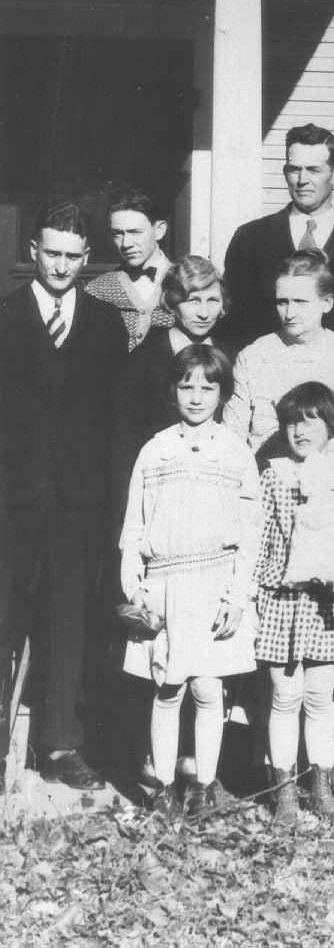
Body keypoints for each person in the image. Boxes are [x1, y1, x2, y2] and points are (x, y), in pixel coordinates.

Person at [0, 202, 128, 790]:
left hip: (79, 503)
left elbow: (113, 420)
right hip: (11, 499)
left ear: (86, 256)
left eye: (73, 256)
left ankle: (60, 745)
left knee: (69, 621)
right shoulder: (5, 314)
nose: (61, 265)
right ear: (33, 251)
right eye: (51, 253)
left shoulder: (104, 323)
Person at [117, 344, 259, 817]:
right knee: (168, 686)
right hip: (166, 585)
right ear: (172, 390)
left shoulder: (235, 452)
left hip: (214, 583)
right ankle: (160, 786)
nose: (196, 397)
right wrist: (135, 585)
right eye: (186, 386)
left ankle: (202, 784)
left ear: (223, 393)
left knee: (207, 688)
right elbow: (134, 526)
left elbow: (250, 531)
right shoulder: (155, 450)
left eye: (207, 387)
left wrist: (237, 595)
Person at [254, 382, 334, 824]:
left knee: (319, 696)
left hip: (328, 607)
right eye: (292, 422)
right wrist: (260, 592)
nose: (300, 430)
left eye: (311, 421)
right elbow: (261, 539)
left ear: (331, 427)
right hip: (284, 602)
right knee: (285, 695)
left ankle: (320, 786)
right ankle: (284, 791)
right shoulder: (274, 476)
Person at [221, 123, 334, 348]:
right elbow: (233, 319)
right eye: (294, 169)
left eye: (313, 170)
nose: (302, 180)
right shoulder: (250, 238)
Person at [223, 250, 334, 479]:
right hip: (268, 489)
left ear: (327, 303)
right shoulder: (254, 356)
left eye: (301, 302)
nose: (290, 313)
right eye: (282, 302)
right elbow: (232, 437)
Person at [111, 255, 230, 526]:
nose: (204, 313)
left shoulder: (230, 356)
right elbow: (124, 444)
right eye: (193, 301)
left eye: (213, 300)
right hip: (159, 498)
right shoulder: (143, 360)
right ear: (172, 302)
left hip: (215, 497)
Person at [86, 186, 174, 351]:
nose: (126, 243)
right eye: (117, 234)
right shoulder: (98, 290)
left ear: (159, 230)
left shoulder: (187, 282)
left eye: (135, 232)